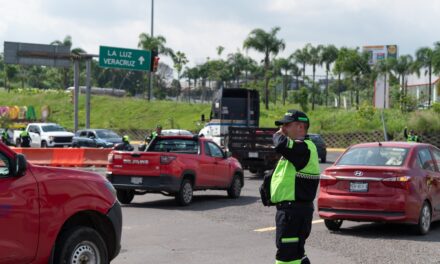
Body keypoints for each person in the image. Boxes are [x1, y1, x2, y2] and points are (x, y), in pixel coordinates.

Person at [271, 109, 320, 264]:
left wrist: (278, 135)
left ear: (300, 127)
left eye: (286, 125)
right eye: (282, 126)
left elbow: (281, 144)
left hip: (294, 212)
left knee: (286, 256)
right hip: (292, 211)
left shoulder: (304, 147)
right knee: (296, 253)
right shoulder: (298, 149)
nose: (283, 129)